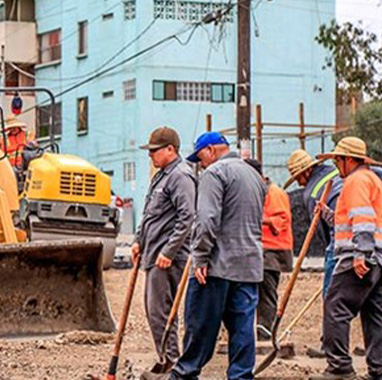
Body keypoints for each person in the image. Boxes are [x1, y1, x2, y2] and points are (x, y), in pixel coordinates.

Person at [143, 132, 266, 380]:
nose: (201, 164)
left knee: (199, 324)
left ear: (210, 150)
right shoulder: (254, 176)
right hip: (249, 265)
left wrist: (200, 257)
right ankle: (241, 376)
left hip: (217, 265)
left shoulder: (215, 173)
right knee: (242, 327)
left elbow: (207, 220)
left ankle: (184, 374)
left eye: (200, 158)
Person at [309, 137, 382, 380]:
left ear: (348, 160)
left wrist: (361, 254)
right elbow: (351, 222)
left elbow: (362, 218)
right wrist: (328, 214)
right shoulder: (372, 179)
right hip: (377, 258)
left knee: (336, 307)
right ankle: (378, 369)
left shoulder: (356, 181)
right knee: (374, 314)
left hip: (358, 256)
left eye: (338, 160)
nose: (336, 165)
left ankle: (339, 367)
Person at [133, 127, 196, 373]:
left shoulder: (180, 176)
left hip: (168, 256)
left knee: (160, 310)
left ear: (170, 149)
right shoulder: (161, 176)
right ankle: (167, 358)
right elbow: (150, 213)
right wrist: (138, 240)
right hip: (154, 252)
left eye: (155, 151)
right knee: (154, 310)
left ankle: (172, 360)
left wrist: (169, 252)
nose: (151, 155)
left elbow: (187, 217)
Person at [284, 149, 343, 357]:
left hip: (339, 242)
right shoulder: (335, 171)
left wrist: (334, 260)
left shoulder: (311, 193)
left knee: (331, 296)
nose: (299, 183)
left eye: (298, 177)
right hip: (366, 238)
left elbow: (322, 233)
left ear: (306, 172)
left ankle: (330, 347)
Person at [245, 159, 293, 341]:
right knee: (259, 291)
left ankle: (265, 332)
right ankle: (261, 330)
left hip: (272, 250)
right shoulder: (262, 191)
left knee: (266, 292)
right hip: (262, 249)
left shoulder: (274, 193)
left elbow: (279, 221)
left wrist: (256, 218)